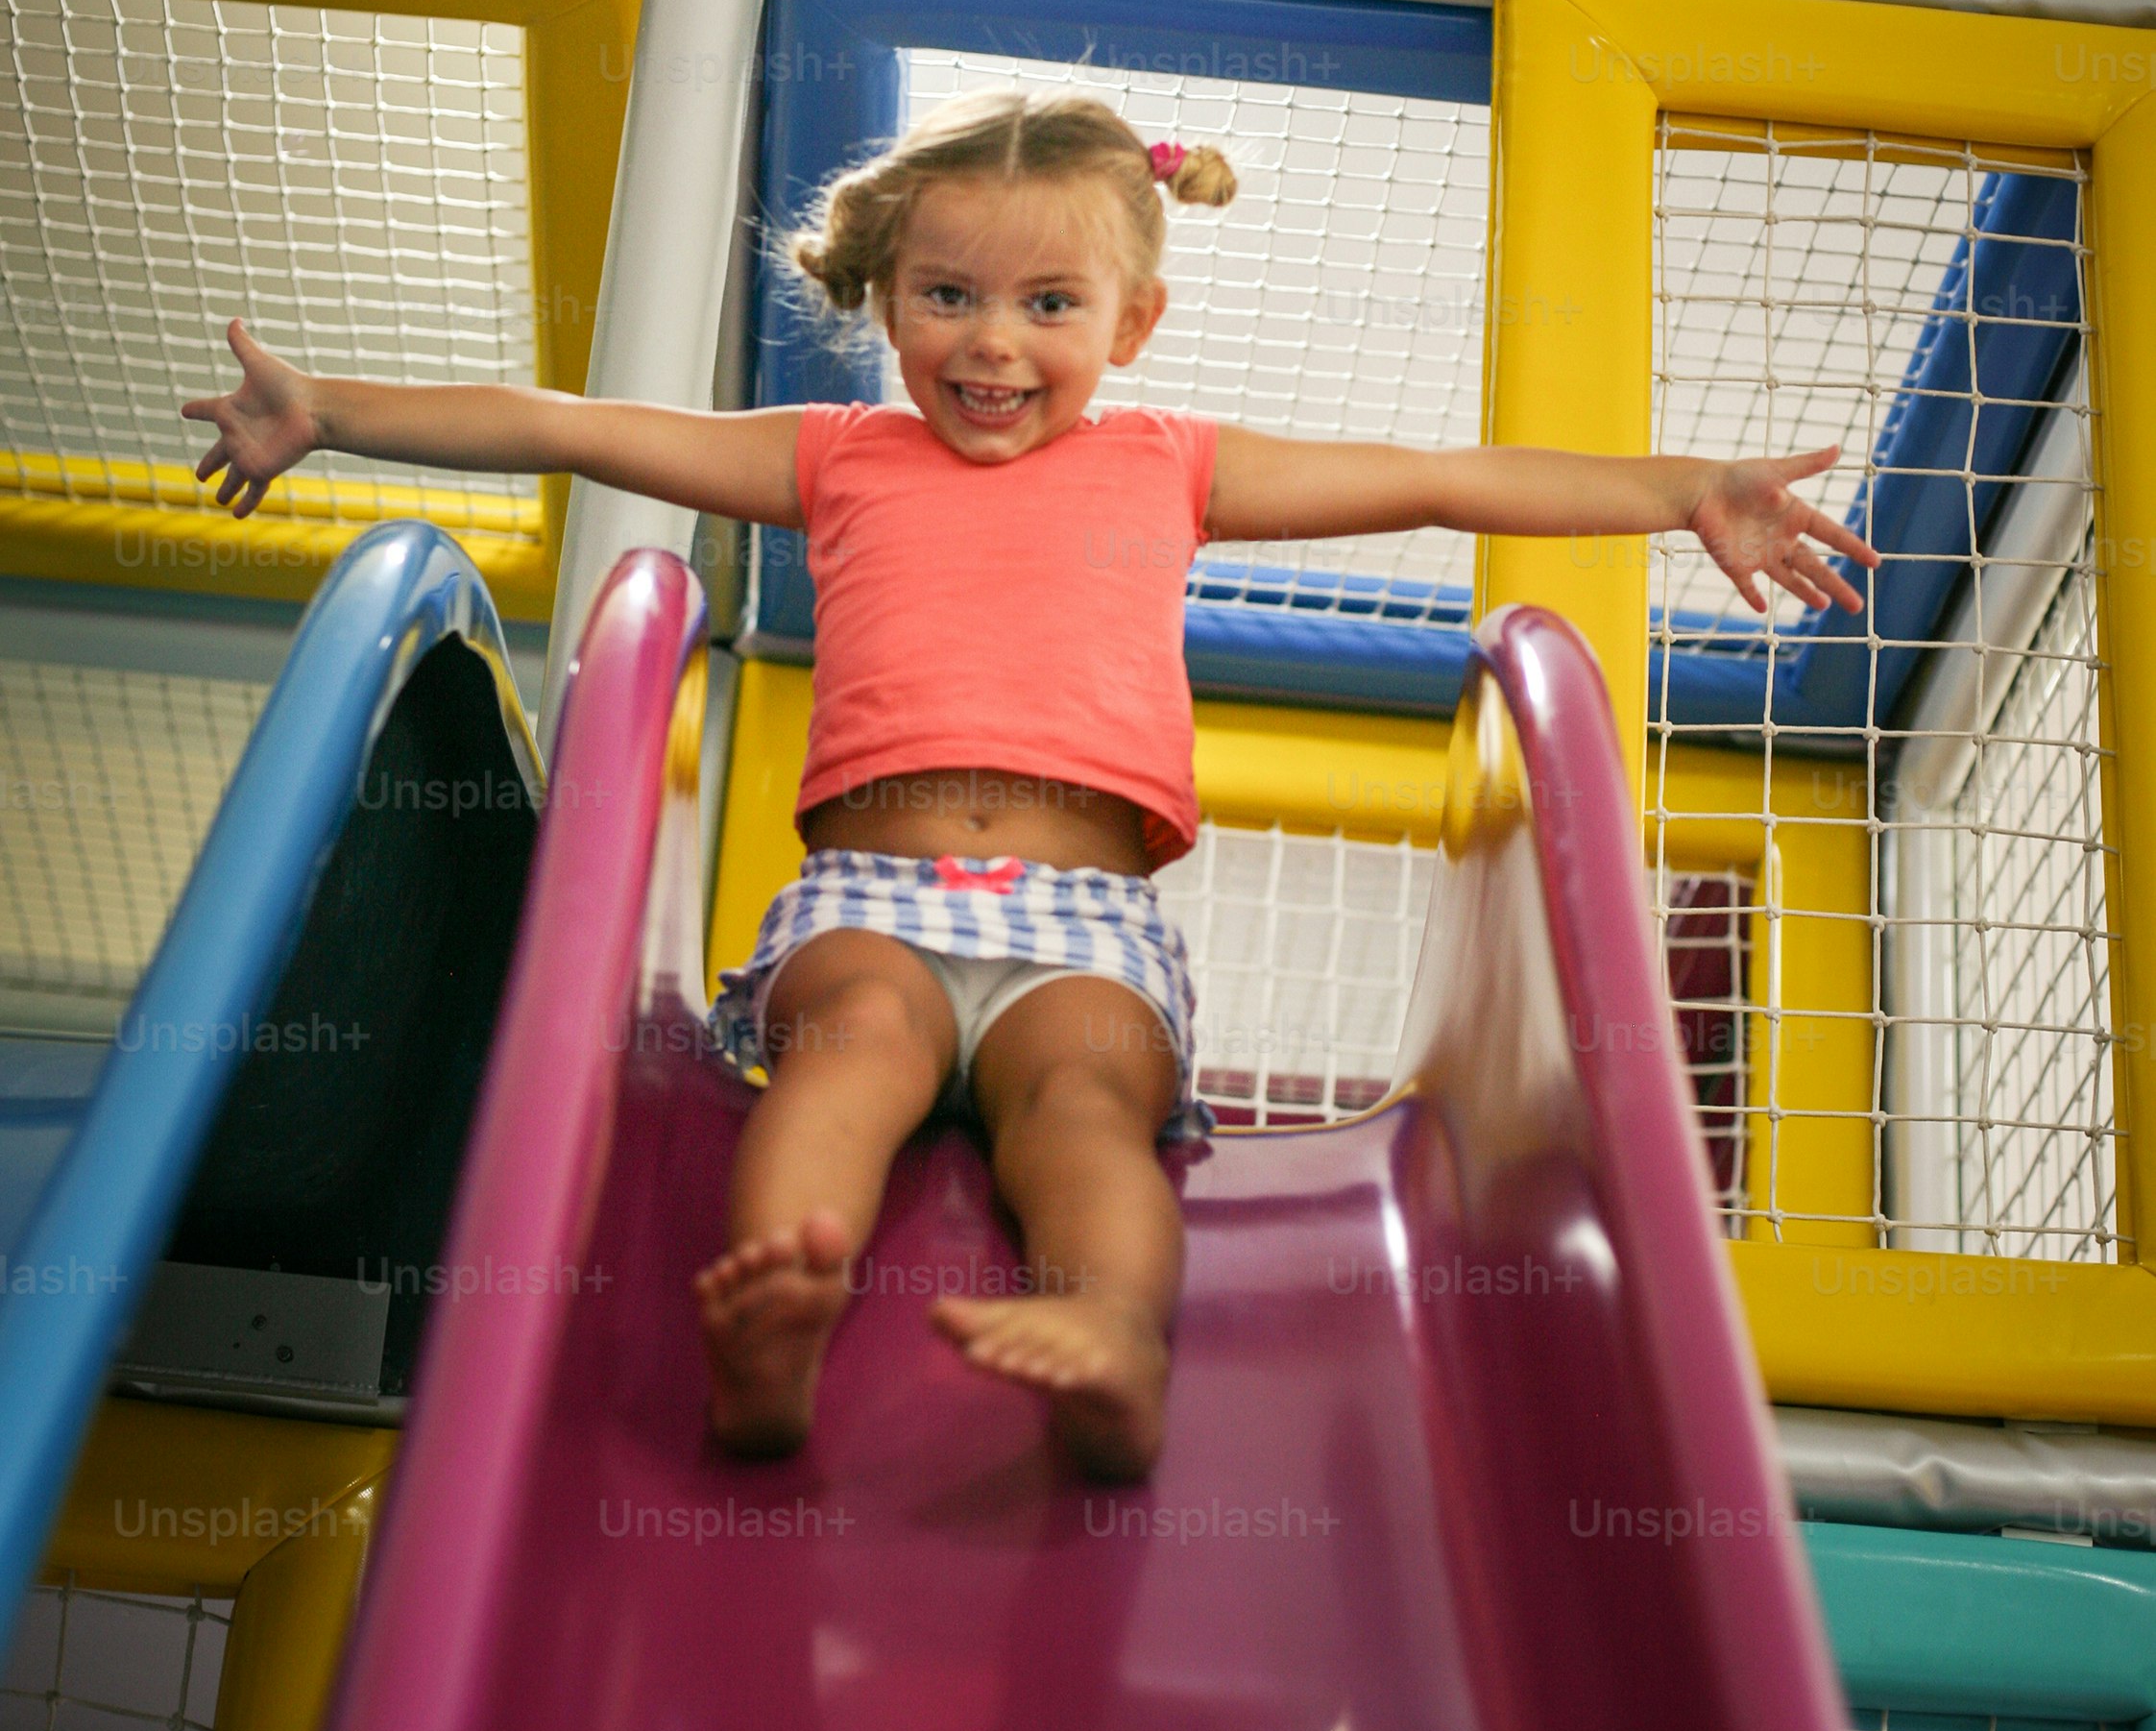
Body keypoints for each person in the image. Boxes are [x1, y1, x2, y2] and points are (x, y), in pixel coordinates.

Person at [182, 84, 1877, 1482]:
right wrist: (328, 407)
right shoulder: (832, 455)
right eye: (948, 298)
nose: (992, 346)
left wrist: (1681, 490)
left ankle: (1112, 1342)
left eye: (1046, 306)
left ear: (1132, 321)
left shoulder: (1172, 466)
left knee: (1084, 1109)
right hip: (869, 896)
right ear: (885, 300)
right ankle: (779, 1311)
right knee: (841, 1060)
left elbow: (1441, 475)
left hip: (1092, 920)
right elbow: (569, 423)